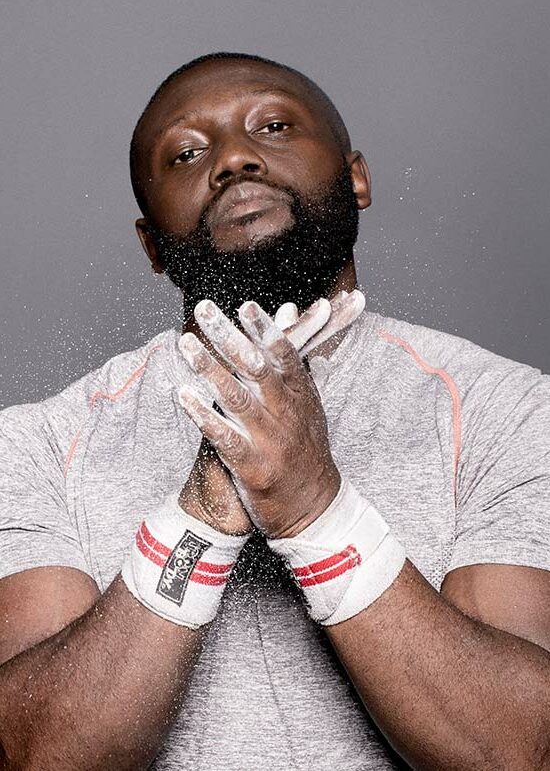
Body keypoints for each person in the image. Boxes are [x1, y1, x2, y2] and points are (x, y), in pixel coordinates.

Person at [1, 51, 550, 771]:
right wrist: (202, 513)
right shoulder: (38, 444)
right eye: (187, 153)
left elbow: (517, 751)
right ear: (152, 246)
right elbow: (38, 754)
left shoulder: (509, 410)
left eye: (274, 126)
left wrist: (313, 510)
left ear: (357, 178)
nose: (233, 159)